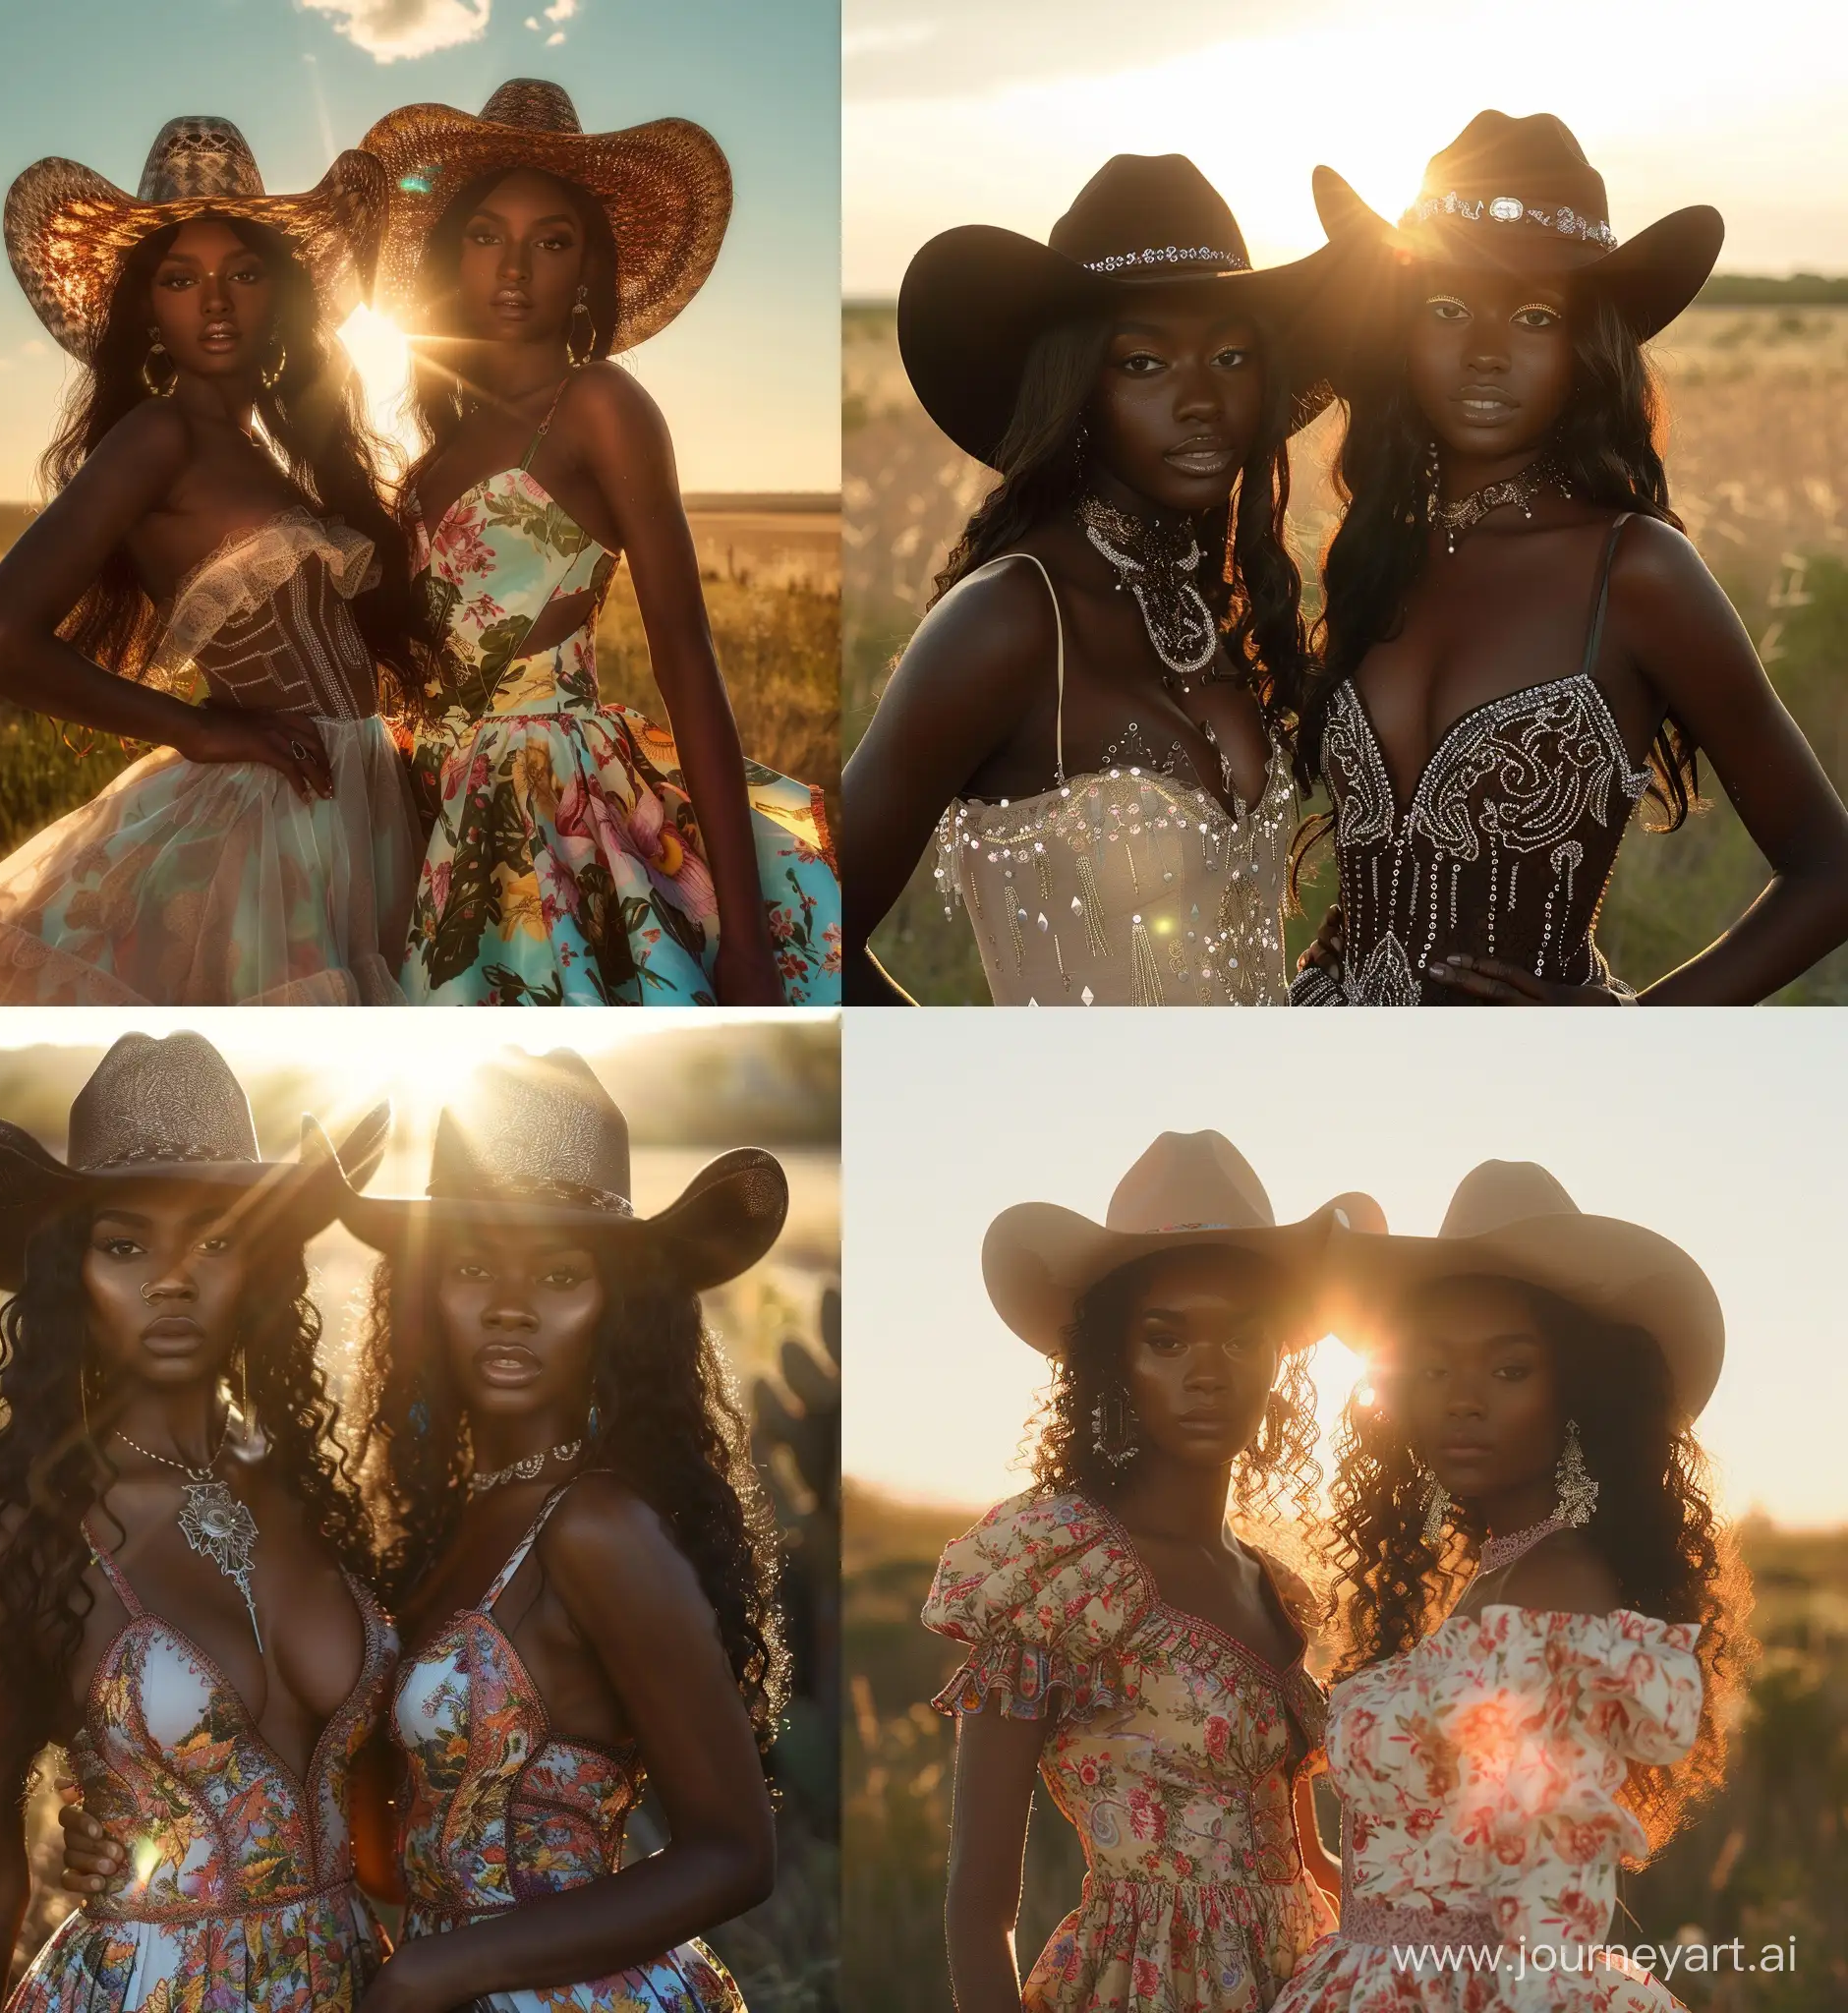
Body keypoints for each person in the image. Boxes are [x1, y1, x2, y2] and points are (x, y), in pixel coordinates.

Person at [1291, 112, 1848, 1006]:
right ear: (1399, 329)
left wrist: (1637, 1035)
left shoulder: (1635, 572)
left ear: (1585, 346)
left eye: (1533, 315)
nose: (1483, 352)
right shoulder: (1374, 549)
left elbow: (1831, 870)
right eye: (1446, 307)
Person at [0, 118, 430, 1006]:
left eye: (243, 273)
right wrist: (200, 729)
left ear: (279, 295)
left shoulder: (265, 451)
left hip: (361, 804)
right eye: (181, 279)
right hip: (270, 819)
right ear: (149, 310)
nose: (216, 303)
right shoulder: (158, 433)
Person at [0, 1033, 397, 2011]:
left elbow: (393, 1820)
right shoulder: (17, 1546)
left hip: (359, 1980)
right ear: (66, 1277)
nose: (172, 1277)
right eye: (124, 1244)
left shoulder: (327, 1501)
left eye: (214, 1239)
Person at [361, 81, 840, 1006]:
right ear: (450, 259)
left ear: (587, 269)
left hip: (557, 812)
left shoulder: (600, 407)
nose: (514, 268)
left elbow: (686, 654)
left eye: (552, 241)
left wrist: (745, 939)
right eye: (486, 234)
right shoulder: (434, 454)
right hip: (430, 812)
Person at [844, 156, 1339, 1006]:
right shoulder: (1009, 618)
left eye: (1230, 355)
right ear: (1076, 388)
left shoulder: (1211, 602)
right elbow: (814, 938)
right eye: (1143, 364)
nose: (1200, 400)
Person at [349, 1049, 780, 2005]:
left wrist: (445, 1964)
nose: (509, 1305)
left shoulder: (595, 1524)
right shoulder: (452, 1521)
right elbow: (395, 1855)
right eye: (470, 1266)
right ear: (424, 1293)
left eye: (558, 1272)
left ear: (616, 1306)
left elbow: (736, 1852)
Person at [1272, 1160, 1754, 2010]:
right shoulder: (1508, 1571)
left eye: (1508, 1370)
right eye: (1433, 1368)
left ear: (1575, 1392)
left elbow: (1549, 1919)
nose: (1463, 1400)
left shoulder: (1555, 1592)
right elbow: (1449, 1869)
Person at [924, 1133, 1382, 2009]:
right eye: (1166, 1341)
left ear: (1280, 1360)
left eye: (1241, 1341)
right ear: (1113, 1362)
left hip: (1305, 1984)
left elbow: (1313, 1862)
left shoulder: (1274, 1587)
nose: (1207, 1374)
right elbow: (978, 1913)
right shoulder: (1060, 1568)